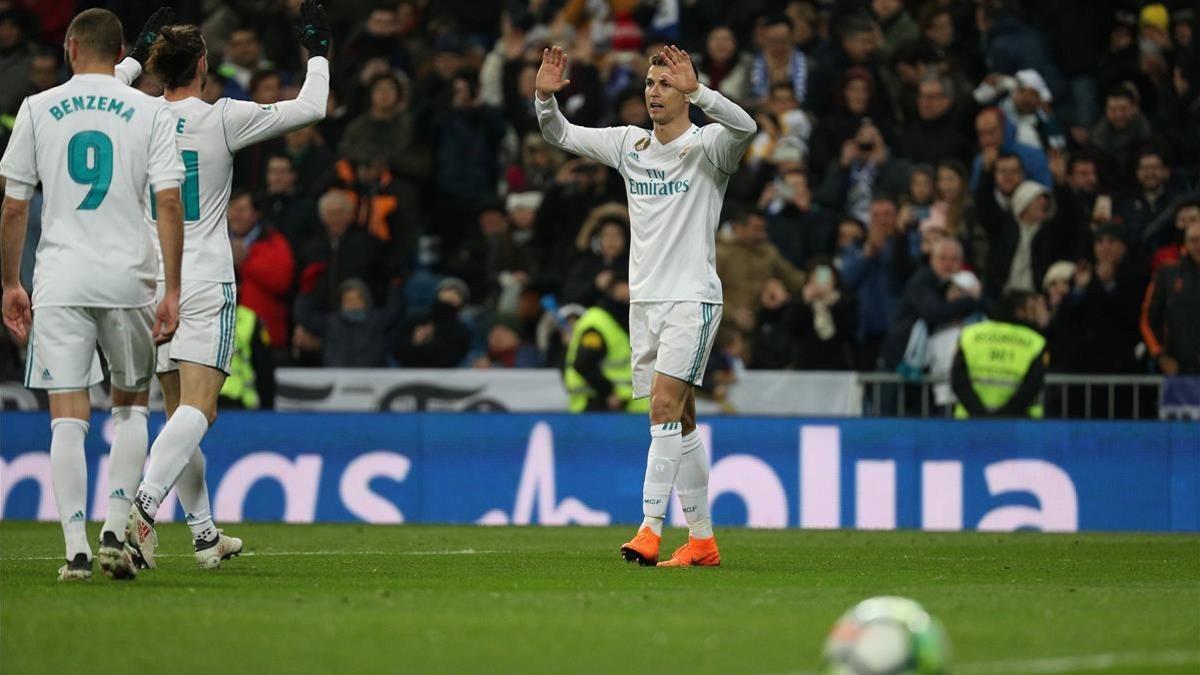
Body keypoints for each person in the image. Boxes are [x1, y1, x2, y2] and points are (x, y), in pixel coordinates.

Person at [116, 3, 329, 571]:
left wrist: (135, 57)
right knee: (200, 411)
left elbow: (110, 83)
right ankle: (140, 509)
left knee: (175, 416)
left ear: (160, 69)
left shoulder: (132, 112)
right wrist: (320, 52)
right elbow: (313, 106)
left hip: (147, 278)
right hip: (204, 275)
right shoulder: (223, 117)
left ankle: (206, 537)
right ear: (204, 65)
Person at [536, 44, 755, 567]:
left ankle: (649, 529)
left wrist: (701, 90)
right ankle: (702, 542)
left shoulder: (709, 148)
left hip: (692, 298)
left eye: (666, 84)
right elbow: (560, 133)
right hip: (647, 303)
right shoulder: (628, 144)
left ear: (686, 94)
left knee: (660, 406)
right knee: (679, 422)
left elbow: (745, 126)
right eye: (651, 84)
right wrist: (545, 98)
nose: (654, 92)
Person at [0, 8, 184, 580]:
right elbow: (170, 202)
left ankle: (75, 548)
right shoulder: (152, 109)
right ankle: (115, 525)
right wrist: (173, 288)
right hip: (129, 278)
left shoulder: (37, 107)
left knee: (67, 414)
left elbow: (12, 206)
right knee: (130, 405)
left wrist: (10, 282)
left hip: (60, 279)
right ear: (120, 48)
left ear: (72, 47)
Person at [951, 289, 1048, 418]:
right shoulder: (1034, 342)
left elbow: (958, 380)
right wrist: (1002, 417)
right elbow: (1030, 387)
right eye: (1032, 309)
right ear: (1019, 311)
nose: (1036, 314)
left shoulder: (970, 334)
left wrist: (980, 415)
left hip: (970, 422)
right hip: (1019, 426)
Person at [563, 278, 648, 412]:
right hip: (597, 406)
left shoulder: (620, 318)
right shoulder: (599, 322)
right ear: (618, 287)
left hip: (621, 408)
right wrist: (609, 393)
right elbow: (584, 363)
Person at [1141, 221, 1200, 375]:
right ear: (1185, 243)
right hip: (1175, 370)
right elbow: (1148, 318)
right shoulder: (1167, 273)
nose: (1198, 245)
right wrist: (1160, 355)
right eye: (1193, 240)